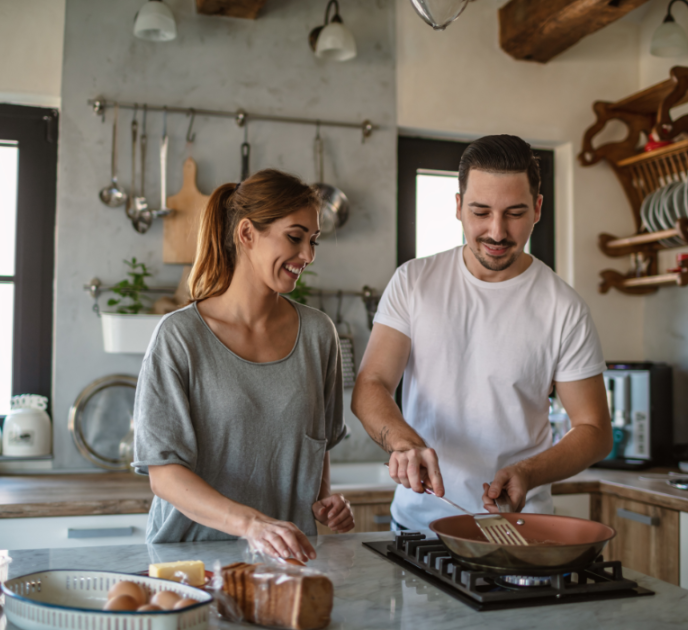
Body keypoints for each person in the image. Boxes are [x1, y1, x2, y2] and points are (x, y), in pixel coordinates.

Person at [352, 135, 612, 530]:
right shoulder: (414, 282)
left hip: (519, 528)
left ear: (538, 209)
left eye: (515, 213)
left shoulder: (564, 307)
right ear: (458, 207)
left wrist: (529, 472)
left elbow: (593, 430)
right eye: (481, 212)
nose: (496, 231)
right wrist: (406, 445)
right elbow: (371, 383)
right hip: (419, 527)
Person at [133, 168, 354, 560]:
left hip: (285, 560)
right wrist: (251, 524)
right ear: (247, 233)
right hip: (190, 562)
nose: (308, 255)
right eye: (295, 237)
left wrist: (322, 498)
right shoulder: (179, 337)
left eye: (313, 240)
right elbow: (164, 475)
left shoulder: (320, 335)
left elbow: (316, 444)